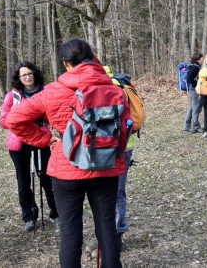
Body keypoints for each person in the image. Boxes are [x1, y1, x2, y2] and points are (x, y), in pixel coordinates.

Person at [7, 39, 127, 268]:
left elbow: (14, 120)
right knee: (107, 228)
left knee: (70, 233)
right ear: (93, 58)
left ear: (65, 63)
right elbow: (123, 128)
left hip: (67, 170)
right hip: (106, 166)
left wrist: (46, 140)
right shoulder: (114, 89)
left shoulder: (52, 92)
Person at [0, 61, 58, 231]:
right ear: (19, 78)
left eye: (30, 73)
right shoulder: (12, 96)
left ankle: (56, 213)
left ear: (35, 73)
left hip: (43, 139)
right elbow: (3, 121)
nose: (28, 77)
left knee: (48, 177)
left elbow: (55, 115)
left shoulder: (46, 92)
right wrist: (23, 119)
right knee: (23, 180)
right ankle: (29, 215)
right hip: (19, 142)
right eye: (24, 75)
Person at [183, 53, 204, 133]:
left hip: (192, 90)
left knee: (191, 107)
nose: (203, 60)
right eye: (202, 58)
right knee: (195, 108)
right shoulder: (195, 67)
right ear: (198, 59)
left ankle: (186, 126)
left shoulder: (194, 66)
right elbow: (189, 78)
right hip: (193, 90)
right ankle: (196, 126)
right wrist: (196, 86)